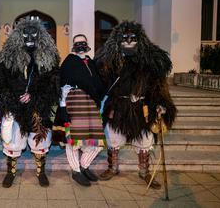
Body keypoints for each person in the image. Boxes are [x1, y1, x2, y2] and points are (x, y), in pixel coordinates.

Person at [95, 21, 176, 189]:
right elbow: (100, 77)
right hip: (118, 106)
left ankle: (144, 172)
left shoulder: (148, 62)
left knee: (145, 140)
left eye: (133, 37)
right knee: (113, 138)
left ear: (140, 40)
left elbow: (158, 85)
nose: (129, 41)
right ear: (118, 40)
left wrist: (161, 103)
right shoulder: (112, 62)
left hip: (141, 109)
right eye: (124, 37)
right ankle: (112, 167)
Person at [0, 17, 60, 188]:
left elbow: (53, 83)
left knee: (40, 140)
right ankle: (11, 172)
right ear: (17, 35)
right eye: (25, 34)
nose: (29, 38)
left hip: (38, 107)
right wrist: (12, 100)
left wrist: (34, 96)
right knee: (13, 141)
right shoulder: (6, 58)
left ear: (40, 36)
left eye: (33, 34)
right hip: (15, 108)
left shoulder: (49, 58)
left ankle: (41, 172)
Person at [53, 34, 106, 187]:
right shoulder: (69, 62)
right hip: (74, 103)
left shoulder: (91, 62)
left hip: (90, 105)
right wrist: (63, 108)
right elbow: (63, 86)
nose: (80, 45)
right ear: (73, 46)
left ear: (87, 44)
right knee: (73, 141)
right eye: (77, 43)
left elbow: (98, 83)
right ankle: (76, 171)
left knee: (96, 142)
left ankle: (84, 166)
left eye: (83, 42)